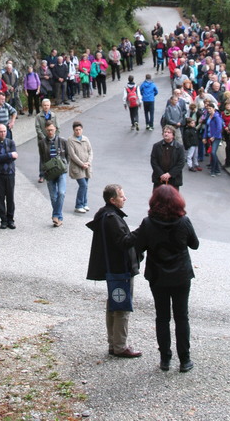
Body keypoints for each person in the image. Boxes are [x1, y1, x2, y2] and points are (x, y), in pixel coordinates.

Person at [134, 185, 199, 372]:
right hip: (180, 275)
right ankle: (185, 359)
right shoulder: (183, 221)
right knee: (181, 317)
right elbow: (194, 244)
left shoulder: (148, 223)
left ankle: (165, 359)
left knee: (162, 317)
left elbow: (139, 246)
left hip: (157, 275)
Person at [86, 184, 142, 358]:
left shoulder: (105, 215)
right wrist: (142, 231)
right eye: (121, 196)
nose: (124, 199)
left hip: (113, 268)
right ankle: (120, 346)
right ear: (112, 199)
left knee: (113, 305)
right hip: (120, 270)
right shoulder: (112, 218)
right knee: (121, 308)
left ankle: (114, 343)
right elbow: (124, 242)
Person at [38, 121, 68, 226]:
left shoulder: (63, 141)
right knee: (53, 196)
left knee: (61, 193)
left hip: (61, 170)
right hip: (49, 172)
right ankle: (59, 218)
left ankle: (55, 215)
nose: (50, 132)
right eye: (48, 130)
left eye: (51, 129)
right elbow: (41, 158)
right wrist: (42, 172)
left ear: (55, 128)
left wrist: (64, 165)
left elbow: (67, 156)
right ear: (45, 130)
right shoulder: (42, 143)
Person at [0, 123, 18, 229]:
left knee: (10, 197)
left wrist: (0, 158)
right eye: (1, 131)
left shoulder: (11, 143)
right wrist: (9, 155)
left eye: (4, 131)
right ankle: (3, 220)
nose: (3, 133)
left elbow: (14, 157)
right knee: (0, 198)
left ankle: (11, 219)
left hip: (10, 173)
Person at [67, 121, 93, 213]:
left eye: (79, 129)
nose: (78, 131)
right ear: (73, 130)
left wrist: (88, 162)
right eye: (76, 130)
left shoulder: (85, 139)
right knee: (83, 185)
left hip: (87, 167)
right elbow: (72, 155)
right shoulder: (70, 140)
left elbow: (90, 151)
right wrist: (82, 164)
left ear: (82, 129)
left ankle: (84, 203)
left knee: (86, 186)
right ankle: (78, 205)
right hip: (77, 167)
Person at [151, 126, 186, 191]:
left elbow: (181, 163)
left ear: (173, 135)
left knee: (172, 200)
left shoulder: (179, 147)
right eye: (165, 132)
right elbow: (154, 161)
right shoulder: (156, 146)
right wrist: (161, 174)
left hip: (173, 180)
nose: (166, 134)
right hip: (159, 180)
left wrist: (169, 174)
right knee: (157, 200)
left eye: (169, 132)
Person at [35, 98, 59, 183]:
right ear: (42, 106)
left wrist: (56, 138)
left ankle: (52, 173)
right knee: (43, 158)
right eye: (44, 105)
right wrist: (44, 138)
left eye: (47, 105)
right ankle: (42, 175)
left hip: (53, 139)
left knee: (53, 156)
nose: (46, 107)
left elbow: (57, 127)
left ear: (50, 106)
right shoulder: (38, 116)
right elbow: (38, 128)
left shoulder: (53, 115)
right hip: (42, 140)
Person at [203, 104, 223, 176]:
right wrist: (204, 137)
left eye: (210, 108)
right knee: (213, 153)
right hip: (209, 137)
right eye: (208, 109)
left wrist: (214, 136)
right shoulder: (209, 117)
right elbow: (206, 127)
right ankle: (217, 169)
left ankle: (213, 170)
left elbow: (219, 128)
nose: (209, 110)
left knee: (213, 152)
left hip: (216, 138)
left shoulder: (217, 117)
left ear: (214, 109)